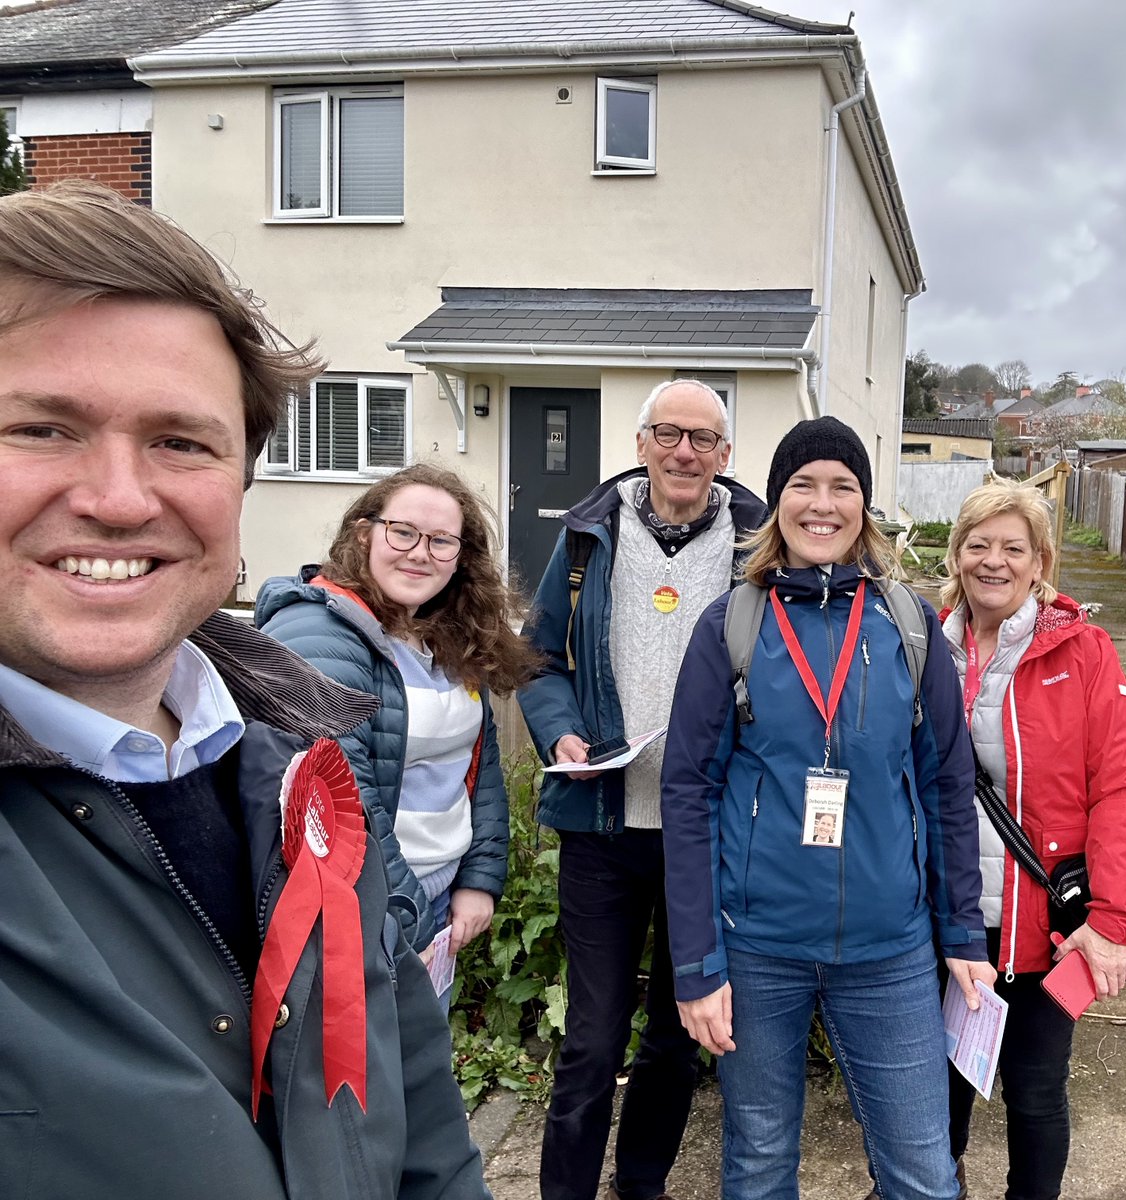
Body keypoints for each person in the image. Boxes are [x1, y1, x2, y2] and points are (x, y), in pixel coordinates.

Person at [0, 180, 489, 1199]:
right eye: (41, 428)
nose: (119, 498)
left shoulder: (298, 778)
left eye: (181, 441)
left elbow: (426, 1137)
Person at [661, 415, 994, 1200]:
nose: (822, 503)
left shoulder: (908, 627)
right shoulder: (730, 626)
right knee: (758, 1162)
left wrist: (960, 930)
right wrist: (697, 965)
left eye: (841, 486)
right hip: (757, 950)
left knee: (922, 1173)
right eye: (802, 485)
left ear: (863, 506)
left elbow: (946, 786)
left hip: (890, 951)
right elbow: (688, 796)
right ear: (776, 503)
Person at [518, 378, 766, 1200]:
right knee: (590, 1038)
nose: (684, 452)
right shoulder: (589, 537)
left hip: (707, 831)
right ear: (640, 444)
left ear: (725, 456)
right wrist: (558, 730)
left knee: (673, 1033)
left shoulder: (754, 546)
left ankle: (642, 1184)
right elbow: (539, 656)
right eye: (668, 434)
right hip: (602, 824)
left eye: (702, 439)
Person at [938, 480, 1126, 1200]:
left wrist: (1117, 923)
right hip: (950, 928)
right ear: (956, 554)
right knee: (937, 1089)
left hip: (1048, 929)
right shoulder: (921, 650)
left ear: (1040, 562)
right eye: (978, 544)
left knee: (1035, 1092)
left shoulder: (1083, 652)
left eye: (1013, 547)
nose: (993, 561)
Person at [256, 463, 538, 974]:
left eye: (441, 541)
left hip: (435, 900)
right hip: (363, 914)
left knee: (423, 1055)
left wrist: (478, 878)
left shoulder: (441, 636)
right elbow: (345, 804)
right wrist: (408, 920)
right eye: (403, 532)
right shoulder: (320, 636)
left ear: (460, 559)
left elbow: (479, 765)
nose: (419, 553)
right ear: (364, 535)